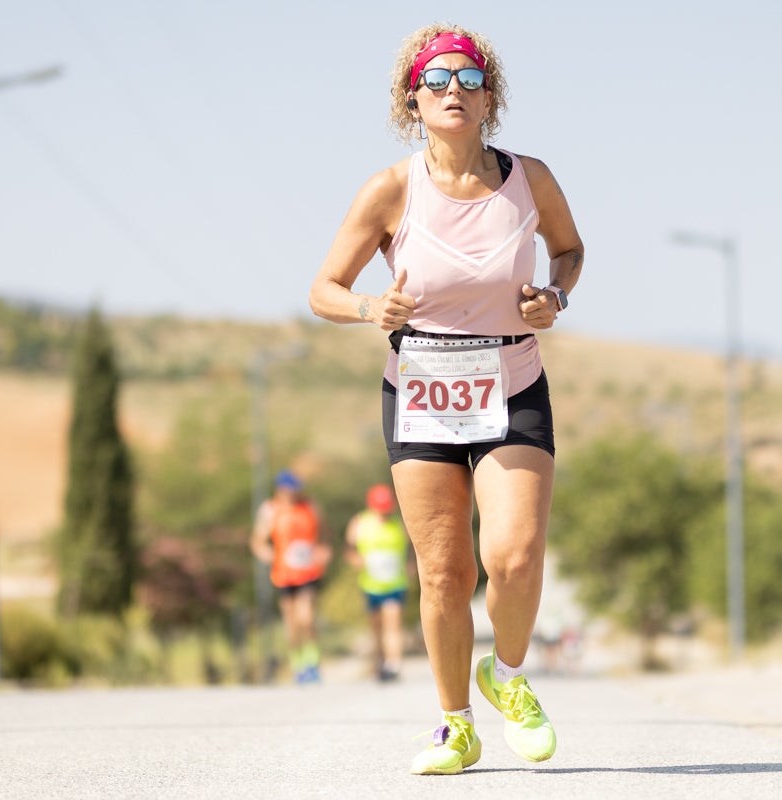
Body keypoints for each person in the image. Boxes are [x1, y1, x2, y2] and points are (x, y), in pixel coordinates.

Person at [308, 23, 584, 775]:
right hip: (422, 388)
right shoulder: (392, 189)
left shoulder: (531, 178)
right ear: (413, 100)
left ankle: (509, 676)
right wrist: (372, 310)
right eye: (438, 79)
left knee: (516, 555)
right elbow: (322, 290)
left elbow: (569, 249)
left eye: (469, 77)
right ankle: (455, 724)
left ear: (490, 95)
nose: (454, 90)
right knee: (444, 573)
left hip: (512, 378)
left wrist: (552, 295)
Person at [249, 469, 330, 684]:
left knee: (307, 617)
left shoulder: (310, 506)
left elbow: (324, 534)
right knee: (292, 623)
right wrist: (269, 555)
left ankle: (313, 662)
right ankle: (298, 663)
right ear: (280, 490)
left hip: (309, 571)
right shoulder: (270, 510)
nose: (293, 494)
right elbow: (258, 541)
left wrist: (324, 551)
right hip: (284, 573)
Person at [344, 483, 411, 683]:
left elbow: (412, 548)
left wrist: (411, 565)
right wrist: (355, 559)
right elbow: (349, 549)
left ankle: (394, 664)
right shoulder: (359, 523)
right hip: (371, 584)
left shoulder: (399, 524)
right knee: (377, 627)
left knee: (393, 621)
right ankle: (380, 661)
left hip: (395, 583)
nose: (383, 514)